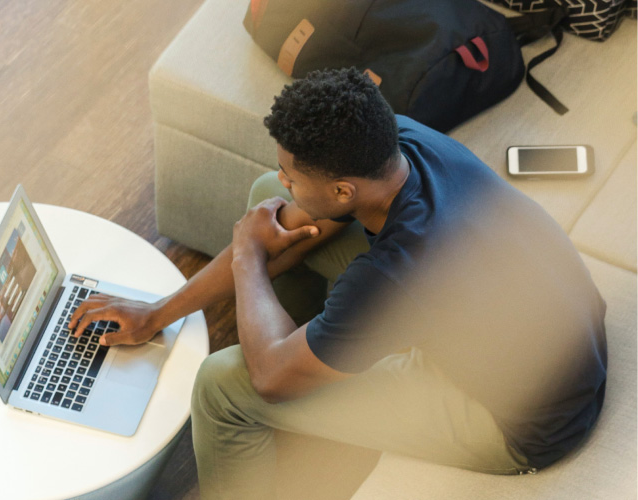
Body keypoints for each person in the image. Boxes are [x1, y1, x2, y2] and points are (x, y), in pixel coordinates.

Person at [69, 68, 607, 499]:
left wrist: (248, 259)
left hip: (518, 422)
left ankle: (303, 365)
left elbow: (268, 379)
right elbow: (298, 222)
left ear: (346, 190)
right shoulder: (401, 141)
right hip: (550, 334)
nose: (283, 179)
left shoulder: (400, 269)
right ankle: (313, 357)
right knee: (276, 208)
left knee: (222, 385)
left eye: (293, 174)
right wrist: (158, 312)